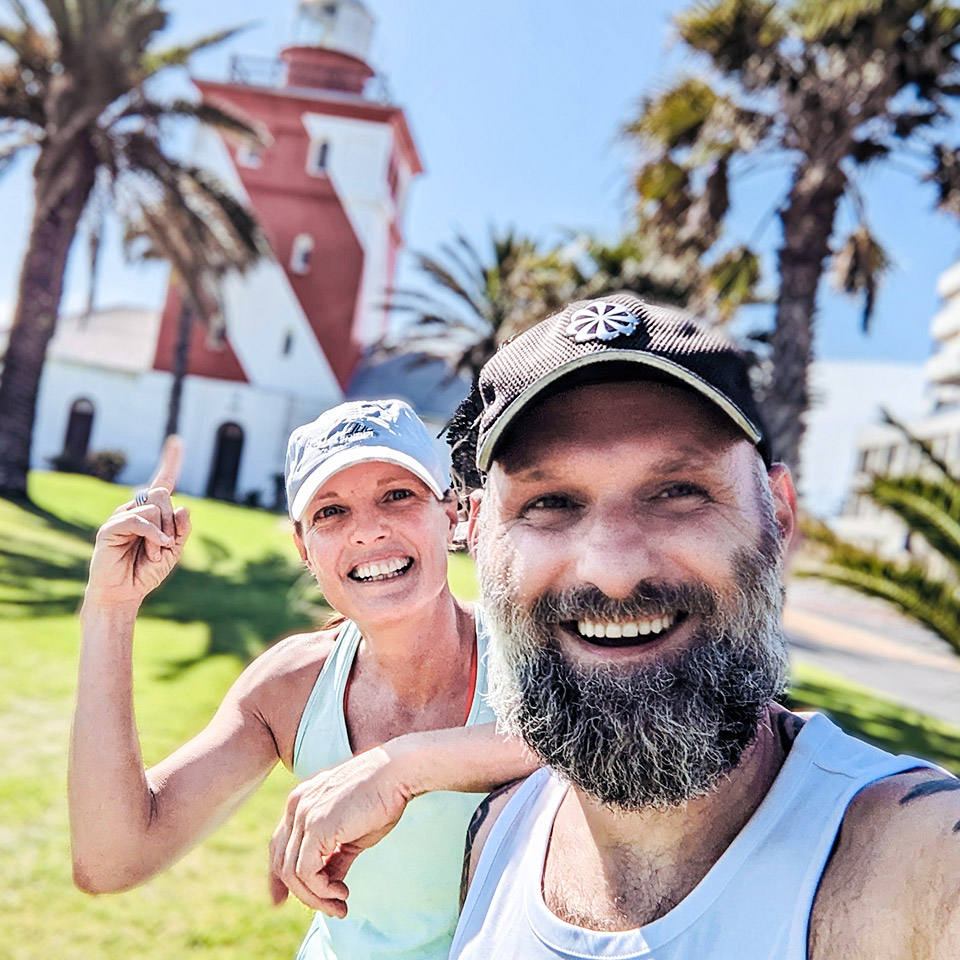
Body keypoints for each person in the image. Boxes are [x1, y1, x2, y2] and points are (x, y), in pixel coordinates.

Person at [445, 295, 960, 959]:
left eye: (679, 491)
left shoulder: (919, 863)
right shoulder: (495, 834)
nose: (614, 572)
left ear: (778, 514)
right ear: (480, 534)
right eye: (549, 502)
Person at [69, 398, 534, 960]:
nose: (367, 531)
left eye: (397, 494)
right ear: (303, 549)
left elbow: (621, 739)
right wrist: (110, 609)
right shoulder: (290, 687)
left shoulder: (537, 654)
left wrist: (401, 769)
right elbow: (112, 858)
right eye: (330, 512)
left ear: (455, 514)